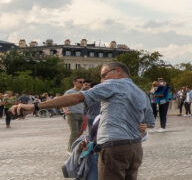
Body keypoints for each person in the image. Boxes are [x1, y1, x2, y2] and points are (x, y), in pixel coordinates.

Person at [11, 61, 153, 179]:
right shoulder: (141, 93)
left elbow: (77, 97)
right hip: (135, 148)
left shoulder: (112, 85)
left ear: (118, 71)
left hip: (114, 146)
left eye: (104, 75)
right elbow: (148, 123)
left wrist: (35, 106)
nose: (102, 81)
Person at [63, 76, 87, 150]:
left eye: (83, 82)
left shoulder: (83, 92)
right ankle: (70, 150)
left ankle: (76, 148)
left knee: (79, 133)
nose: (82, 83)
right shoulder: (69, 92)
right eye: (80, 82)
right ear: (74, 82)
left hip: (81, 114)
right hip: (72, 114)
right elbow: (63, 102)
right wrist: (65, 110)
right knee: (74, 132)